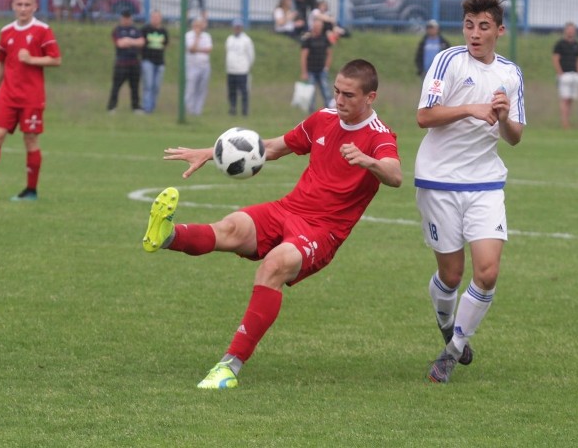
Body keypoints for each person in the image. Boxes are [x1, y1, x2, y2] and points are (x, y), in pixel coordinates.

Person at [141, 58, 402, 389]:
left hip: (323, 231)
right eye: (336, 91)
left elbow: (395, 174)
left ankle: (229, 366)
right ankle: (168, 236)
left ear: (370, 98)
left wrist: (368, 161)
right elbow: (275, 147)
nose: (339, 101)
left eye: (348, 95)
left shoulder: (380, 136)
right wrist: (212, 151)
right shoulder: (323, 119)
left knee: (274, 264)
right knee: (232, 227)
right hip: (289, 208)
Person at [415, 0, 526, 384]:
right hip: (438, 180)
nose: (474, 34)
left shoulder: (511, 74)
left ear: (499, 30)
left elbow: (514, 137)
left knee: (488, 271)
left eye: (483, 27)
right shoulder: (447, 60)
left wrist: (502, 116)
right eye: (468, 26)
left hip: (485, 183)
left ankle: (453, 349)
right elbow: (424, 116)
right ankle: (448, 323)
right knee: (451, 274)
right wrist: (471, 108)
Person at [0, 0, 61, 201]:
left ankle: (31, 190)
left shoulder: (42, 30)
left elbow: (56, 59)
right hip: (7, 95)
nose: (23, 9)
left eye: (27, 5)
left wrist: (32, 60)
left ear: (35, 7)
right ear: (12, 6)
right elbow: (1, 63)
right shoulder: (6, 32)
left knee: (30, 141)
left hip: (32, 97)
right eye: (19, 4)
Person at [107, 10, 146, 114]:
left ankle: (136, 107)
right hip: (121, 63)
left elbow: (141, 42)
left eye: (128, 18)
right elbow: (120, 43)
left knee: (135, 86)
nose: (126, 20)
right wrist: (133, 42)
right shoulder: (117, 30)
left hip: (134, 63)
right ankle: (112, 107)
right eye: (124, 18)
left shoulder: (136, 30)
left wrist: (128, 40)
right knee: (116, 86)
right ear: (121, 19)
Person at [552, 22, 578, 129]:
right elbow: (555, 59)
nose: (570, 31)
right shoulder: (560, 44)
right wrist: (560, 72)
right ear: (565, 30)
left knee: (570, 99)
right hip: (564, 74)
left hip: (574, 74)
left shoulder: (576, 44)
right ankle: (564, 121)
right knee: (564, 98)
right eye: (569, 29)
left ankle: (567, 120)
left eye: (572, 29)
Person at [300, 17, 334, 111]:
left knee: (326, 91)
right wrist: (304, 72)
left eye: (320, 26)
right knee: (311, 93)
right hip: (311, 70)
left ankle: (330, 110)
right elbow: (304, 56)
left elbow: (329, 53)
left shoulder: (325, 39)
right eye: (316, 26)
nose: (318, 28)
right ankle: (311, 111)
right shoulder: (308, 39)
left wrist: (326, 67)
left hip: (321, 69)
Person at [140, 9, 170, 114]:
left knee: (156, 86)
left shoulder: (163, 31)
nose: (155, 19)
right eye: (153, 17)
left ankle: (152, 106)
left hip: (160, 62)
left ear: (160, 19)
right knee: (148, 84)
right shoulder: (145, 29)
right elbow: (141, 43)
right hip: (148, 60)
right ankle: (146, 107)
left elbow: (166, 44)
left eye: (157, 17)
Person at [225, 18, 255, 116]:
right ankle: (232, 108)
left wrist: (247, 66)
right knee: (231, 91)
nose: (237, 28)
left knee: (244, 92)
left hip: (242, 70)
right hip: (231, 70)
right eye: (235, 27)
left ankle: (244, 110)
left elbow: (251, 55)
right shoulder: (229, 39)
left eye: (238, 27)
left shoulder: (246, 40)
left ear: (241, 28)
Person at [184, 17, 213, 116]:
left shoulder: (206, 36)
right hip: (192, 66)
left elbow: (208, 50)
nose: (198, 28)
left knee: (201, 89)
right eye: (196, 25)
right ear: (193, 26)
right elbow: (191, 49)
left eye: (200, 26)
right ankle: (189, 110)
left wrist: (197, 49)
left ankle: (197, 111)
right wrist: (196, 38)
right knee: (191, 89)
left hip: (205, 66)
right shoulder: (188, 36)